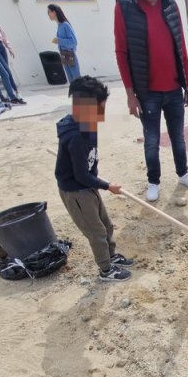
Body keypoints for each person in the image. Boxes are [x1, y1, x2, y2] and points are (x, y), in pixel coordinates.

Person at [114, 0, 188, 203]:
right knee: (151, 141)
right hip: (147, 92)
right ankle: (154, 182)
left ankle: (183, 174)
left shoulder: (170, 5)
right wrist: (130, 95)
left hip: (173, 89)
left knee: (178, 137)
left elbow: (180, 47)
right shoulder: (124, 6)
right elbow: (121, 52)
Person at [54, 76, 133, 282]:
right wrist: (107, 186)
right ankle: (106, 269)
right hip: (76, 191)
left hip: (88, 184)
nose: (102, 113)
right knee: (96, 232)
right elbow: (80, 175)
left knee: (106, 225)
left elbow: (87, 166)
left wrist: (96, 180)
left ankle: (111, 256)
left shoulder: (88, 124)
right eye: (100, 108)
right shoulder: (76, 137)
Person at [48, 4, 81, 83]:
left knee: (76, 79)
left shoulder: (65, 25)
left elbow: (73, 42)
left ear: (54, 12)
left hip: (69, 53)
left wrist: (59, 40)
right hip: (63, 54)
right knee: (71, 80)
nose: (48, 14)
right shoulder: (59, 26)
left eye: (49, 12)